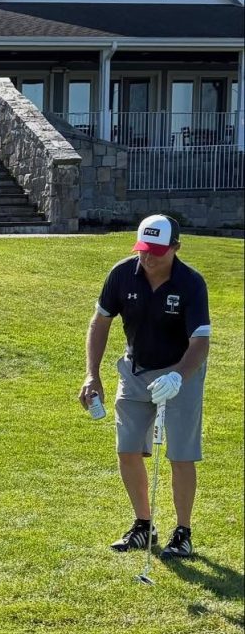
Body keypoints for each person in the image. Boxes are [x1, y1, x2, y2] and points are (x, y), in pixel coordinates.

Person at [79, 214, 211, 559]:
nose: (148, 258)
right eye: (143, 250)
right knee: (128, 449)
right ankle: (143, 526)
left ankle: (182, 533)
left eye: (156, 251)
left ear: (175, 248)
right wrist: (92, 374)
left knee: (180, 453)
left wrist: (177, 376)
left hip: (182, 369)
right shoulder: (122, 274)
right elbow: (100, 322)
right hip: (136, 369)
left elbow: (199, 342)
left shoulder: (191, 283)